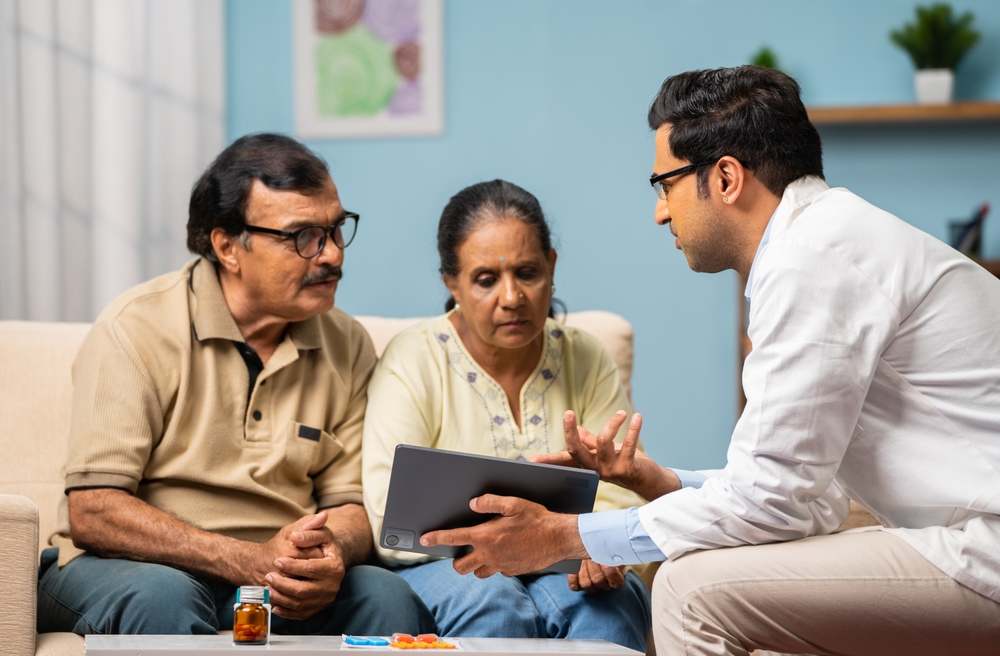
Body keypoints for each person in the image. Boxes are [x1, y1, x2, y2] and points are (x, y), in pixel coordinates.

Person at [418, 67, 1000, 655]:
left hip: (985, 550)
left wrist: (566, 537)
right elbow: (807, 496)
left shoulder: (811, 261)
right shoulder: (823, 241)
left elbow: (772, 499)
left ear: (725, 178)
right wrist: (660, 481)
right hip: (963, 538)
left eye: (663, 185)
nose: (660, 213)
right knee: (704, 567)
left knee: (690, 589)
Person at [37, 134, 435, 638]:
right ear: (227, 246)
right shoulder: (136, 327)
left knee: (383, 594)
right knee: (164, 598)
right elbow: (94, 510)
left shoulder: (347, 343)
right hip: (127, 569)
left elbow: (351, 505)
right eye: (303, 236)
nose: (332, 255)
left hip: (268, 575)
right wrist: (246, 559)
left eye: (336, 230)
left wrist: (329, 553)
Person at [361, 180, 652, 652]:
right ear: (451, 283)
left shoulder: (586, 356)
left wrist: (595, 547)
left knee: (609, 605)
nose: (512, 297)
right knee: (492, 598)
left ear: (552, 268)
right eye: (485, 280)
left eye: (527, 272)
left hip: (567, 561)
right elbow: (387, 516)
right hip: (446, 568)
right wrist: (516, 550)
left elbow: (622, 492)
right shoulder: (413, 359)